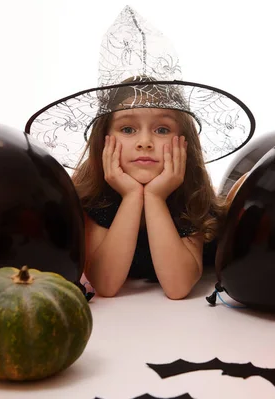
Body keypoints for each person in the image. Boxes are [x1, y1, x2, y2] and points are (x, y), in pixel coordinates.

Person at [24, 6, 256, 299]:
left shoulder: (192, 199)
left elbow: (178, 287)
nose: (145, 142)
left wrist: (156, 197)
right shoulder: (92, 200)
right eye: (128, 129)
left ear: (184, 143)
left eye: (161, 130)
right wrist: (133, 196)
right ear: (104, 142)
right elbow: (106, 284)